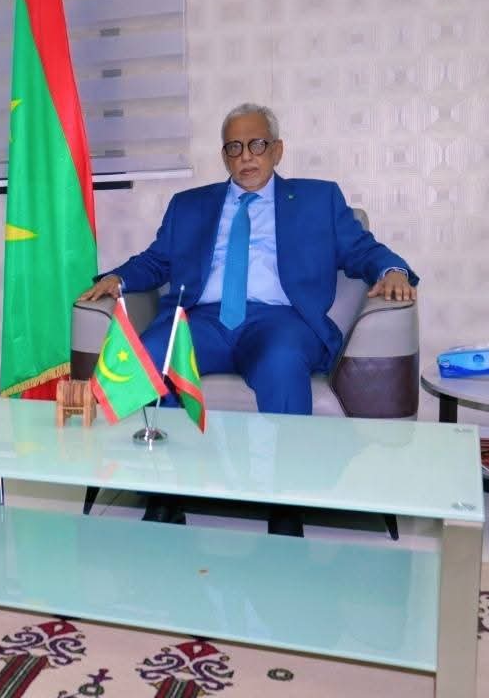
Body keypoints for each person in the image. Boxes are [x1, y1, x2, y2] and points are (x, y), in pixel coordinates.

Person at [79, 103, 418, 537]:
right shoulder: (189, 206)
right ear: (224, 155)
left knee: (281, 362)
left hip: (280, 321)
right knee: (155, 352)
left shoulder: (318, 200)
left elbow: (362, 250)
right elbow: (156, 260)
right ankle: (166, 495)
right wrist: (117, 278)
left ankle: (286, 505)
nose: (245, 157)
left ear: (277, 150)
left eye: (257, 145)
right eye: (234, 148)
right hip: (204, 319)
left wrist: (393, 270)